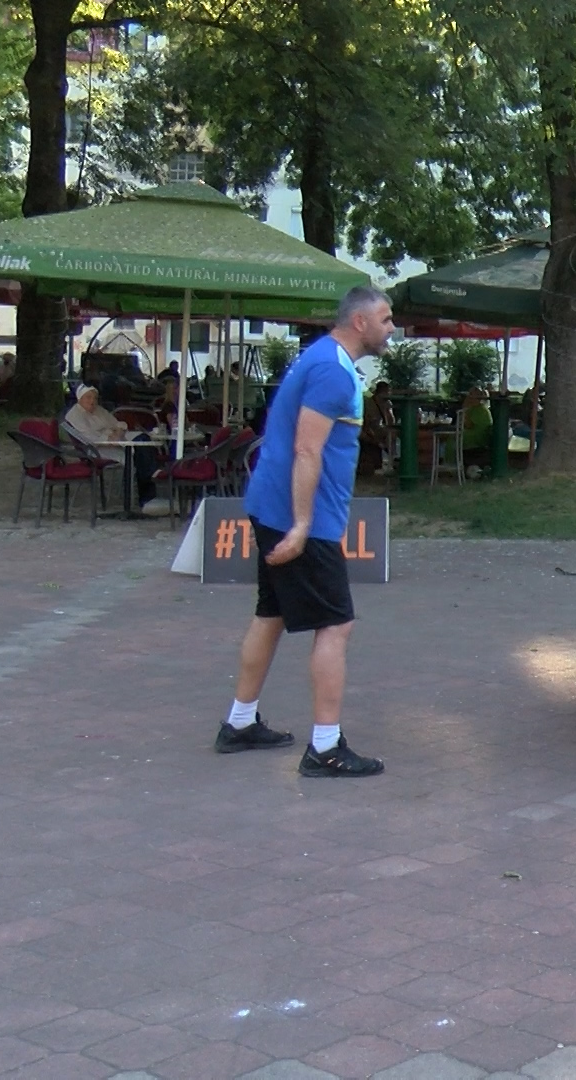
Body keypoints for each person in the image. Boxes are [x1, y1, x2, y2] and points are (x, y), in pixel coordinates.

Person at [213, 284, 394, 777]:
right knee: (335, 624)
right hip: (298, 517)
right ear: (359, 322)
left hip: (274, 506)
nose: (391, 328)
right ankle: (325, 748)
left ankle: (240, 722)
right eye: (385, 318)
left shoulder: (320, 358)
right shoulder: (332, 371)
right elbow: (306, 450)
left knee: (270, 613)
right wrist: (302, 526)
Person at [460, 386, 492, 473]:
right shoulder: (472, 408)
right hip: (471, 432)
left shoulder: (482, 410)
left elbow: (469, 425)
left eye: (471, 395)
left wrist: (464, 409)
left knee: (454, 439)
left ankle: (454, 466)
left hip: (478, 436)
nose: (468, 397)